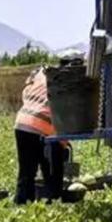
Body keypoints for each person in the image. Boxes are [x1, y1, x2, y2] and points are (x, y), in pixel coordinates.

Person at [14, 67, 66, 204]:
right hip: (44, 125)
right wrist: (63, 146)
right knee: (53, 173)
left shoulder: (39, 76)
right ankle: (54, 205)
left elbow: (25, 94)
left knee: (26, 172)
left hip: (22, 122)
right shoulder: (67, 80)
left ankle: (22, 207)